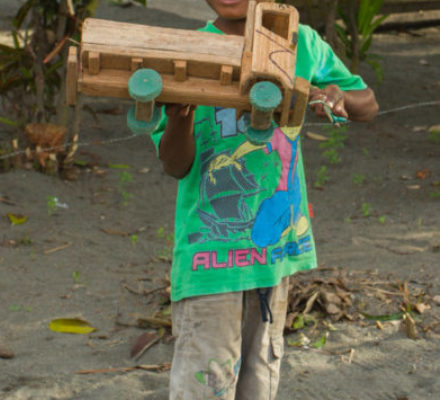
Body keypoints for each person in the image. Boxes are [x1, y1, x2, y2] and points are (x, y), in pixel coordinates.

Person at [149, 1, 379, 399]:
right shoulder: (186, 51)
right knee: (207, 385)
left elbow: (367, 104)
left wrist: (332, 94)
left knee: (260, 382)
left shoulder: (300, 44)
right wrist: (180, 115)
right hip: (210, 262)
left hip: (275, 255)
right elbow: (175, 165)